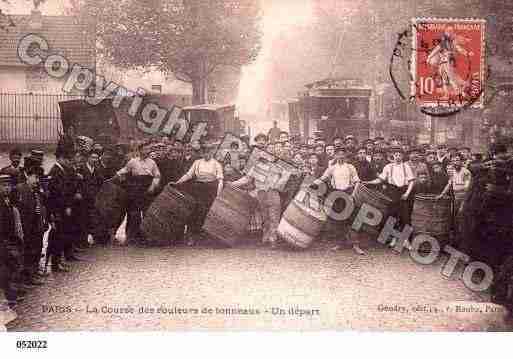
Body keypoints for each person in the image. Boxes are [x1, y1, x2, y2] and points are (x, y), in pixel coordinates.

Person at [312, 147, 364, 255]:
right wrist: (313, 183)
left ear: (345, 156)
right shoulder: (332, 168)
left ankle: (356, 245)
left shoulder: (350, 167)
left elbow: (357, 182)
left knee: (352, 220)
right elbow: (323, 178)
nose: (340, 156)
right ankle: (340, 243)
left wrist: (352, 195)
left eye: (342, 154)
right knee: (338, 221)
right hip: (336, 195)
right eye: (338, 154)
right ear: (335, 156)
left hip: (349, 194)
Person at [172, 145, 223, 246]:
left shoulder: (216, 164)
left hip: (210, 189)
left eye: (208, 152)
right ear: (202, 153)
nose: (206, 154)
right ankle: (191, 236)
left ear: (212, 152)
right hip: (198, 189)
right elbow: (188, 175)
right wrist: (178, 182)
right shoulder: (197, 162)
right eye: (204, 152)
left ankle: (204, 237)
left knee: (207, 212)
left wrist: (218, 194)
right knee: (194, 211)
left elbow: (220, 180)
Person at [364, 147, 415, 243]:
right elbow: (380, 179)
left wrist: (407, 193)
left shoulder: (406, 166)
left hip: (404, 192)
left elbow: (411, 181)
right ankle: (391, 239)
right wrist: (368, 182)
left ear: (403, 156)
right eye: (396, 155)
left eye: (400, 155)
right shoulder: (388, 167)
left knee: (405, 217)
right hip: (392, 192)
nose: (398, 157)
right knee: (391, 216)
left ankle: (406, 241)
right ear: (393, 156)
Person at [231, 156, 282, 248]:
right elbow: (247, 179)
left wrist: (275, 185)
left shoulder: (277, 167)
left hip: (272, 193)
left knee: (274, 217)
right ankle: (265, 239)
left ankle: (273, 240)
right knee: (265, 217)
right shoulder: (255, 167)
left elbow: (283, 179)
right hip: (261, 193)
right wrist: (232, 183)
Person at [116, 144, 161, 245]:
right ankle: (131, 237)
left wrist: (153, 186)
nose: (148, 151)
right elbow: (124, 171)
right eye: (145, 149)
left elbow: (157, 176)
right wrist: (119, 176)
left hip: (148, 189)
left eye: (148, 149)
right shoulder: (133, 161)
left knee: (147, 213)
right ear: (140, 150)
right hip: (135, 188)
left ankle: (146, 237)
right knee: (133, 213)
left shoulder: (152, 162)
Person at [15, 159, 46, 287]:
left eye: (38, 178)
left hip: (35, 226)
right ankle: (25, 278)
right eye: (35, 177)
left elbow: (41, 207)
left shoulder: (36, 190)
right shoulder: (20, 189)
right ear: (27, 175)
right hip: (25, 226)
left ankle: (31, 275)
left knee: (34, 251)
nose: (37, 180)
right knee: (26, 252)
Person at [0, 174, 25, 308]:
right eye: (4, 185)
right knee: (5, 270)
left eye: (8, 185)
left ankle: (11, 296)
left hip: (9, 241)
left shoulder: (7, 201)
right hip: (3, 242)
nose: (7, 188)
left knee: (10, 268)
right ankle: (9, 298)